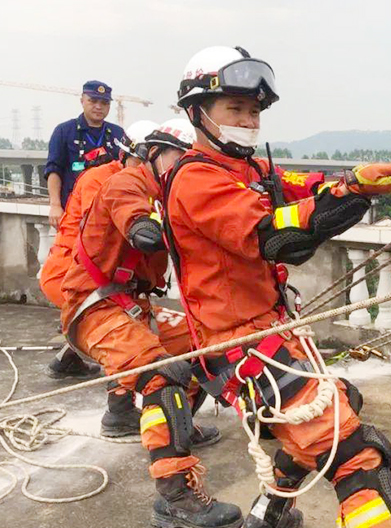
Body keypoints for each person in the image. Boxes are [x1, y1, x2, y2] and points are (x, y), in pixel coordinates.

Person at [159, 46, 391, 528]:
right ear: (196, 113)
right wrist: (349, 195)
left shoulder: (250, 171)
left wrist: (350, 181)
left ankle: (270, 513)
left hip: (270, 333)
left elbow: (304, 186)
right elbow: (276, 237)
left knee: (341, 408)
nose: (248, 120)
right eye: (234, 108)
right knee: (357, 456)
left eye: (253, 111)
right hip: (238, 345)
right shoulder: (196, 180)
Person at [59, 118, 223, 521]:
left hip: (135, 308)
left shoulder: (174, 193)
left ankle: (176, 426)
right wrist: (148, 225)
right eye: (177, 159)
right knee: (162, 374)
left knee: (211, 342)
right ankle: (175, 498)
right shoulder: (128, 183)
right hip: (94, 307)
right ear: (152, 154)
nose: (183, 169)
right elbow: (137, 219)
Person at [41, 120, 157, 383]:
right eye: (142, 162)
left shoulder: (136, 183)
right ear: (125, 155)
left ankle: (67, 360)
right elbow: (102, 230)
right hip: (70, 276)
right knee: (130, 328)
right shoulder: (103, 180)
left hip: (89, 275)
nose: (147, 171)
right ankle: (123, 397)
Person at [44, 80, 125, 228]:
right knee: (69, 250)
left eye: (104, 102)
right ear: (82, 101)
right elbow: (54, 170)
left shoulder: (117, 134)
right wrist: (55, 205)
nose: (98, 106)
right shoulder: (64, 131)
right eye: (93, 101)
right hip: (74, 211)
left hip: (109, 212)